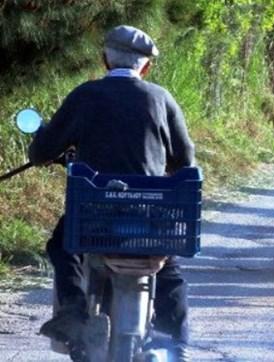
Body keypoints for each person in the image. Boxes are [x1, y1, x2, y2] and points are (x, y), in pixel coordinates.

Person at [29, 25, 194, 361]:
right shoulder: (162, 99)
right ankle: (174, 344)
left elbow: (41, 152)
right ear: (145, 67)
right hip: (148, 218)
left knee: (62, 246)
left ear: (105, 59)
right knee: (168, 270)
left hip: (95, 219)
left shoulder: (85, 96)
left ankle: (74, 311)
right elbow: (185, 160)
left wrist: (47, 142)